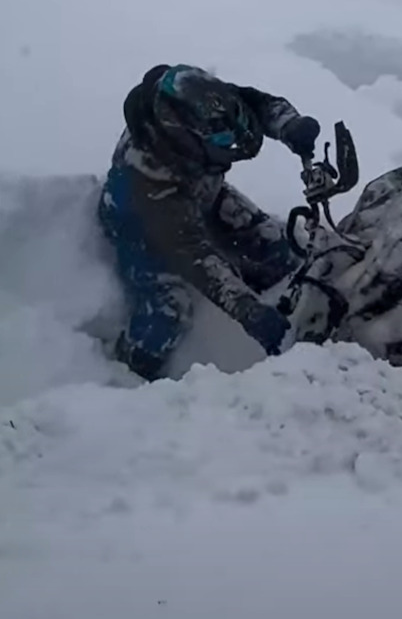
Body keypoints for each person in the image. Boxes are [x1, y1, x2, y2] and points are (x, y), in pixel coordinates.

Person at [98, 63, 321, 381]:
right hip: (143, 231)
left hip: (202, 194)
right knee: (169, 313)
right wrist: (248, 309)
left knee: (274, 247)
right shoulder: (147, 178)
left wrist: (289, 125)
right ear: (187, 140)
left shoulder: (200, 98)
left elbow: (255, 103)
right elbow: (193, 255)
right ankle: (127, 371)